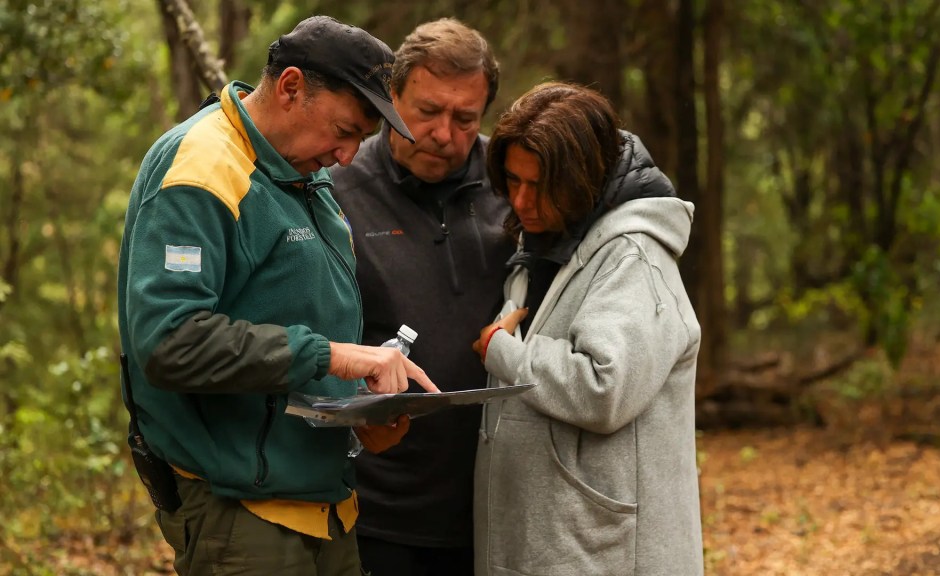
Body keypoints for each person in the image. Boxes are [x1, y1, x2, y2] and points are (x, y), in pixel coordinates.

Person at [116, 15, 440, 576]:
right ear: (291, 87)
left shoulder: (301, 170)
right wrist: (335, 356)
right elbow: (170, 341)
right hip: (242, 513)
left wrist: (358, 408)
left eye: (360, 141)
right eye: (343, 131)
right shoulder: (202, 167)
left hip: (327, 503)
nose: (346, 157)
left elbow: (290, 317)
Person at [471, 82, 705, 576]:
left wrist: (503, 352)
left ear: (582, 180)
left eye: (539, 186)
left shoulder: (634, 259)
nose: (520, 201)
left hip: (607, 554)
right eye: (513, 181)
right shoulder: (541, 248)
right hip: (558, 549)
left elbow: (604, 389)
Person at [328, 17, 512, 576]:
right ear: (392, 97)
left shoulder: (514, 183)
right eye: (428, 112)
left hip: (495, 496)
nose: (444, 134)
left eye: (465, 119)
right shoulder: (335, 185)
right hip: (376, 504)